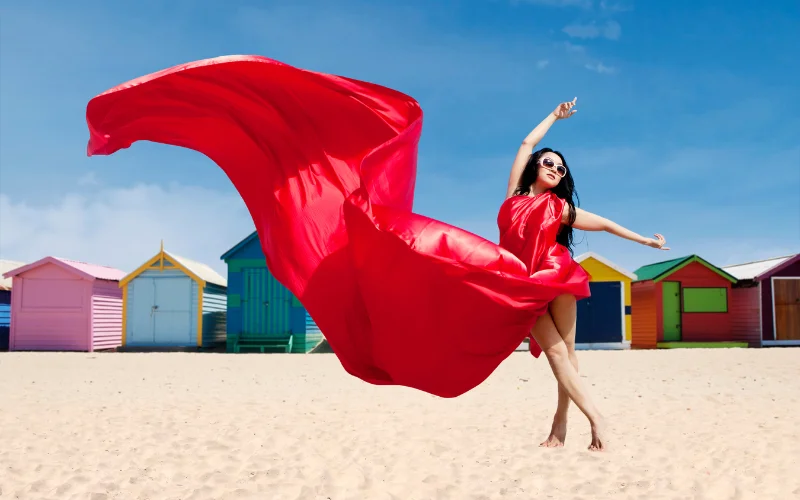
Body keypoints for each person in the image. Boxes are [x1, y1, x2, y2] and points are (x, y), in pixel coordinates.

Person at [503, 98, 669, 451]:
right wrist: (554, 115)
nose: (555, 170)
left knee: (566, 351)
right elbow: (526, 143)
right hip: (521, 283)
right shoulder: (514, 196)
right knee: (556, 353)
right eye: (549, 163)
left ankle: (572, 424)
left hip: (555, 272)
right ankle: (571, 423)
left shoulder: (560, 208)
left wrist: (644, 241)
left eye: (561, 169)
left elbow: (606, 224)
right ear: (535, 166)